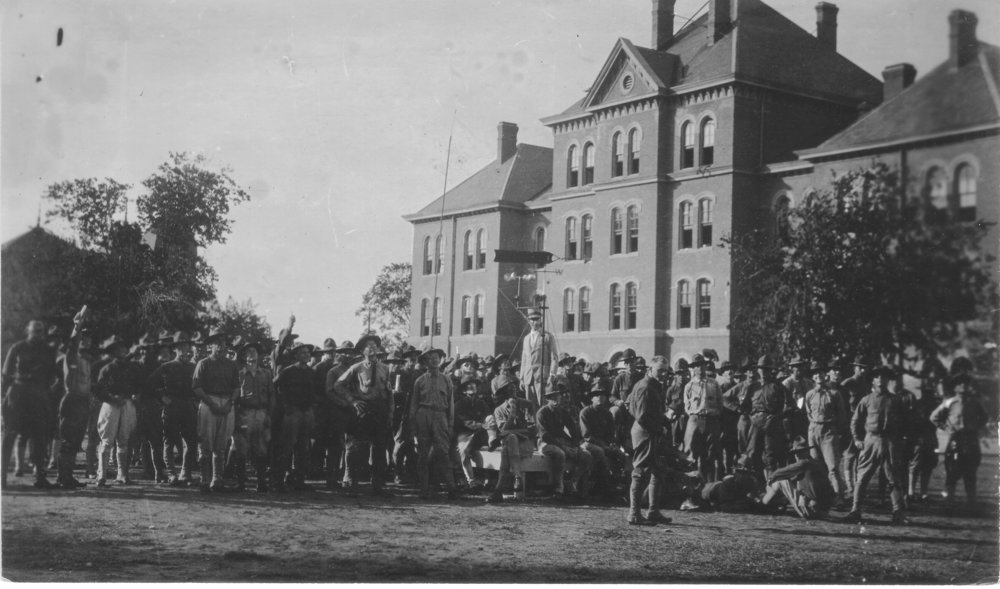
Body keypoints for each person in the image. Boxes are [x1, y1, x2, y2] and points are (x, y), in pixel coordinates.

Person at [842, 365, 907, 525]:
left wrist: (900, 441)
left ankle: (897, 512)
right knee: (862, 477)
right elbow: (855, 421)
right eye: (877, 377)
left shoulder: (895, 400)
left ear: (887, 380)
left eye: (884, 377)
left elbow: (905, 422)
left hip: (890, 442)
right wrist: (857, 439)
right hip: (871, 440)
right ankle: (855, 510)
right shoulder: (866, 400)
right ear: (872, 380)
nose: (881, 380)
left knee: (893, 478)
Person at [334, 334, 393, 495]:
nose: (372, 347)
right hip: (363, 409)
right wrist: (352, 401)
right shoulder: (356, 368)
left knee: (379, 449)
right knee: (357, 448)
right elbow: (338, 385)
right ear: (362, 351)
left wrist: (390, 414)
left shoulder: (386, 369)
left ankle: (377, 485)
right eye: (368, 345)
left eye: (374, 344)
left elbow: (389, 393)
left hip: (380, 410)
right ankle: (353, 482)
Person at [2, 320, 58, 489]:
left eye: (40, 331)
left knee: (39, 437)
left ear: (44, 333)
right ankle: (1, 477)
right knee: (9, 435)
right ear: (28, 331)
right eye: (34, 331)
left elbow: (52, 375)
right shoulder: (17, 348)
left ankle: (40, 476)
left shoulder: (48, 351)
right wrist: (4, 397)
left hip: (38, 396)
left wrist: (45, 394)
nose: (37, 334)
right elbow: (6, 374)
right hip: (18, 395)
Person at [146, 331, 199, 486]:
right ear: (175, 349)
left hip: (189, 407)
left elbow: (200, 385)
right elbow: (150, 385)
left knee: (191, 442)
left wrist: (195, 401)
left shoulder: (194, 367)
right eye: (180, 347)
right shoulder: (166, 367)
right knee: (169, 442)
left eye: (186, 347)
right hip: (172, 407)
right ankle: (171, 474)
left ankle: (185, 473)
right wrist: (162, 398)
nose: (184, 350)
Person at [626, 355, 673, 525]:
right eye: (660, 370)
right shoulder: (645, 387)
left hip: (652, 431)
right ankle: (634, 513)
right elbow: (642, 416)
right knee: (641, 471)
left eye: (665, 371)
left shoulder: (653, 386)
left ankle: (653, 511)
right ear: (650, 370)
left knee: (657, 471)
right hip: (645, 432)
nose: (663, 374)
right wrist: (659, 428)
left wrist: (664, 423)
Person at [191, 328, 240, 492]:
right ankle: (204, 480)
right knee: (205, 444)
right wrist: (211, 403)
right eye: (217, 343)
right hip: (208, 402)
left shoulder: (232, 365)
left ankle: (217, 480)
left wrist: (230, 403)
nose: (221, 347)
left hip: (226, 403)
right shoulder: (203, 363)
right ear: (210, 346)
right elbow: (197, 387)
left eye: (224, 343)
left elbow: (236, 388)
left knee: (221, 445)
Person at [931, 373, 987, 507]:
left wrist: (976, 427)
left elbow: (984, 417)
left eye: (966, 384)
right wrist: (946, 427)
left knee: (971, 470)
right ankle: (949, 500)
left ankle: (972, 501)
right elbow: (933, 417)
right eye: (960, 384)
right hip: (956, 439)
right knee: (952, 470)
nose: (964, 386)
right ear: (955, 387)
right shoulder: (950, 402)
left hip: (971, 439)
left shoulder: (975, 403)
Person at [408, 345, 457, 499]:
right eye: (430, 357)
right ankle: (424, 489)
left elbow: (451, 404)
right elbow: (414, 406)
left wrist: (450, 425)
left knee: (443, 452)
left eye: (436, 356)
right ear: (425, 361)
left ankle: (452, 488)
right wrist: (413, 428)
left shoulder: (446, 380)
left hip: (440, 416)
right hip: (423, 416)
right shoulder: (419, 381)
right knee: (423, 454)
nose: (434, 359)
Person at [93, 335, 140, 486]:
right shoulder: (106, 369)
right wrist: (112, 399)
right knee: (107, 441)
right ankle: (102, 475)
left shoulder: (133, 368)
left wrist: (135, 395)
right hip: (111, 405)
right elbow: (98, 390)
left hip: (127, 403)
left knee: (124, 440)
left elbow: (138, 385)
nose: (121, 352)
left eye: (123, 349)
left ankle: (122, 474)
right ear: (112, 352)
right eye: (117, 350)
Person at [54, 308, 93, 489]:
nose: (85, 341)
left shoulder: (87, 360)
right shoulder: (72, 357)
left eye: (88, 338)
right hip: (72, 400)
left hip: (83, 402)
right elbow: (72, 344)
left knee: (76, 442)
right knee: (68, 441)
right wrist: (77, 327)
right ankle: (62, 477)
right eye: (82, 338)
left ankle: (68, 476)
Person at [739, 355, 794, 481]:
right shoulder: (753, 387)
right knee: (752, 455)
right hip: (756, 424)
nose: (763, 372)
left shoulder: (778, 387)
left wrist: (777, 417)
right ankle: (757, 485)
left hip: (772, 425)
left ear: (770, 371)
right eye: (761, 369)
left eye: (766, 370)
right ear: (757, 371)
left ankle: (773, 487)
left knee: (771, 457)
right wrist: (751, 415)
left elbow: (791, 406)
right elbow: (744, 406)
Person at [229, 341, 274, 492]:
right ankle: (241, 483)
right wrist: (235, 418)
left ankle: (261, 483)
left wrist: (268, 415)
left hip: (261, 413)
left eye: (254, 351)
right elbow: (234, 397)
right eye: (248, 352)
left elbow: (270, 395)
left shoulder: (266, 374)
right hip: (244, 413)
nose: (252, 354)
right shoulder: (239, 374)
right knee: (241, 449)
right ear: (243, 356)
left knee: (261, 449)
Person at [803, 360, 849, 505]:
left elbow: (842, 415)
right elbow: (808, 412)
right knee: (816, 465)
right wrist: (813, 427)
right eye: (815, 374)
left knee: (832, 467)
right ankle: (820, 496)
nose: (819, 376)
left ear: (826, 375)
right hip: (813, 430)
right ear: (813, 377)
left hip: (829, 431)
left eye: (821, 373)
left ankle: (838, 496)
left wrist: (838, 432)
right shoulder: (810, 394)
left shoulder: (834, 394)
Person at [535, 383, 592, 500]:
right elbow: (544, 435)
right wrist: (563, 446)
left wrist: (575, 444)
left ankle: (572, 482)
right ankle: (558, 488)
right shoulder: (542, 413)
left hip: (563, 442)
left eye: (557, 396)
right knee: (560, 454)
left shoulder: (562, 412)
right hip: (546, 443)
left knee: (586, 456)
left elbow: (573, 429)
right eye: (552, 397)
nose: (556, 400)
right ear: (548, 399)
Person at [273, 342, 317, 492]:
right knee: (286, 447)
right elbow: (276, 388)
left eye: (307, 352)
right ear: (296, 355)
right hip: (293, 413)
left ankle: (299, 481)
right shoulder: (287, 372)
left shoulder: (312, 372)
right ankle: (278, 481)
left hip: (306, 413)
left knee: (303, 448)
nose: (306, 355)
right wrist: (286, 406)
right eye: (302, 352)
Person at [763, 436, 836, 520]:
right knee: (789, 482)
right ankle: (773, 503)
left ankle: (763, 504)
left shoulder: (804, 463)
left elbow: (779, 472)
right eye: (796, 453)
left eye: (800, 452)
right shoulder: (816, 463)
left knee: (780, 481)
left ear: (807, 452)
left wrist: (769, 480)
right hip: (823, 510)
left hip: (812, 510)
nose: (797, 455)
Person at [486, 382, 535, 503]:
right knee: (510, 440)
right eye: (509, 390)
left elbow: (532, 430)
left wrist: (511, 432)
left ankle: (498, 491)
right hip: (511, 445)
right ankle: (517, 478)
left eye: (514, 388)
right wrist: (512, 415)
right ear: (504, 394)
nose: (513, 391)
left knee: (508, 443)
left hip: (525, 444)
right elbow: (503, 429)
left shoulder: (526, 405)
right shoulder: (499, 410)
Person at [579, 380, 629, 498]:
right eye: (597, 395)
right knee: (600, 452)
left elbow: (611, 434)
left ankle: (615, 483)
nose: (600, 398)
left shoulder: (607, 414)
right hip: (587, 443)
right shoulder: (585, 412)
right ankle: (604, 485)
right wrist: (603, 444)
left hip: (604, 444)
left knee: (621, 455)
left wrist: (612, 444)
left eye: (603, 395)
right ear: (592, 398)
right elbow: (586, 435)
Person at [683, 354, 723, 482]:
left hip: (711, 420)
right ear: (693, 369)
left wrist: (713, 414)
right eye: (696, 366)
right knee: (691, 455)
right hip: (695, 420)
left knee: (710, 455)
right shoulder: (689, 386)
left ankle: (709, 488)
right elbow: (687, 406)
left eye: (701, 366)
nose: (699, 369)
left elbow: (720, 404)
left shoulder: (714, 384)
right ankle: (693, 489)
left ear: (705, 367)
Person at [452, 374, 491, 491]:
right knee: (463, 451)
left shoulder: (481, 403)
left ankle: (481, 480)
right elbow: (463, 421)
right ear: (464, 391)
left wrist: (485, 424)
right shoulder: (459, 404)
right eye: (469, 386)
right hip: (465, 433)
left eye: (474, 385)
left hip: (480, 434)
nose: (472, 387)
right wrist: (479, 425)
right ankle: (471, 481)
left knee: (480, 453)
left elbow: (488, 416)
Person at [519, 308, 559, 410]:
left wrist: (552, 374)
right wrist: (521, 378)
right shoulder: (526, 338)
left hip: (542, 377)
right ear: (528, 321)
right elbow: (524, 359)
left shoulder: (548, 336)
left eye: (536, 319)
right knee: (530, 406)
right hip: (529, 377)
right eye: (531, 319)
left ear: (541, 319)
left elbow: (554, 357)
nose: (534, 322)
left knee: (543, 405)